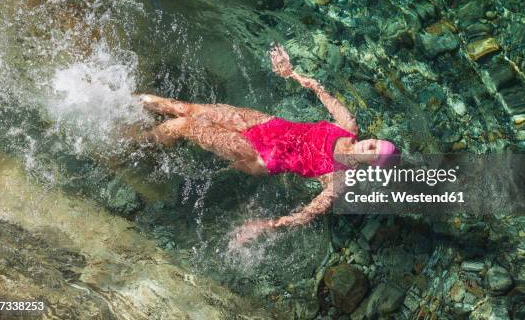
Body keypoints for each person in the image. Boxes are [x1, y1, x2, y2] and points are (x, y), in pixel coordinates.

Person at [139, 44, 399, 243]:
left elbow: (307, 214)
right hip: (266, 124)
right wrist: (291, 73)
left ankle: (137, 142)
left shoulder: (338, 180)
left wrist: (265, 226)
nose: (370, 145)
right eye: (376, 142)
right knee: (184, 108)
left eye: (375, 153)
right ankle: (125, 100)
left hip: (262, 155)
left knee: (183, 125)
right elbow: (320, 90)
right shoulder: (348, 126)